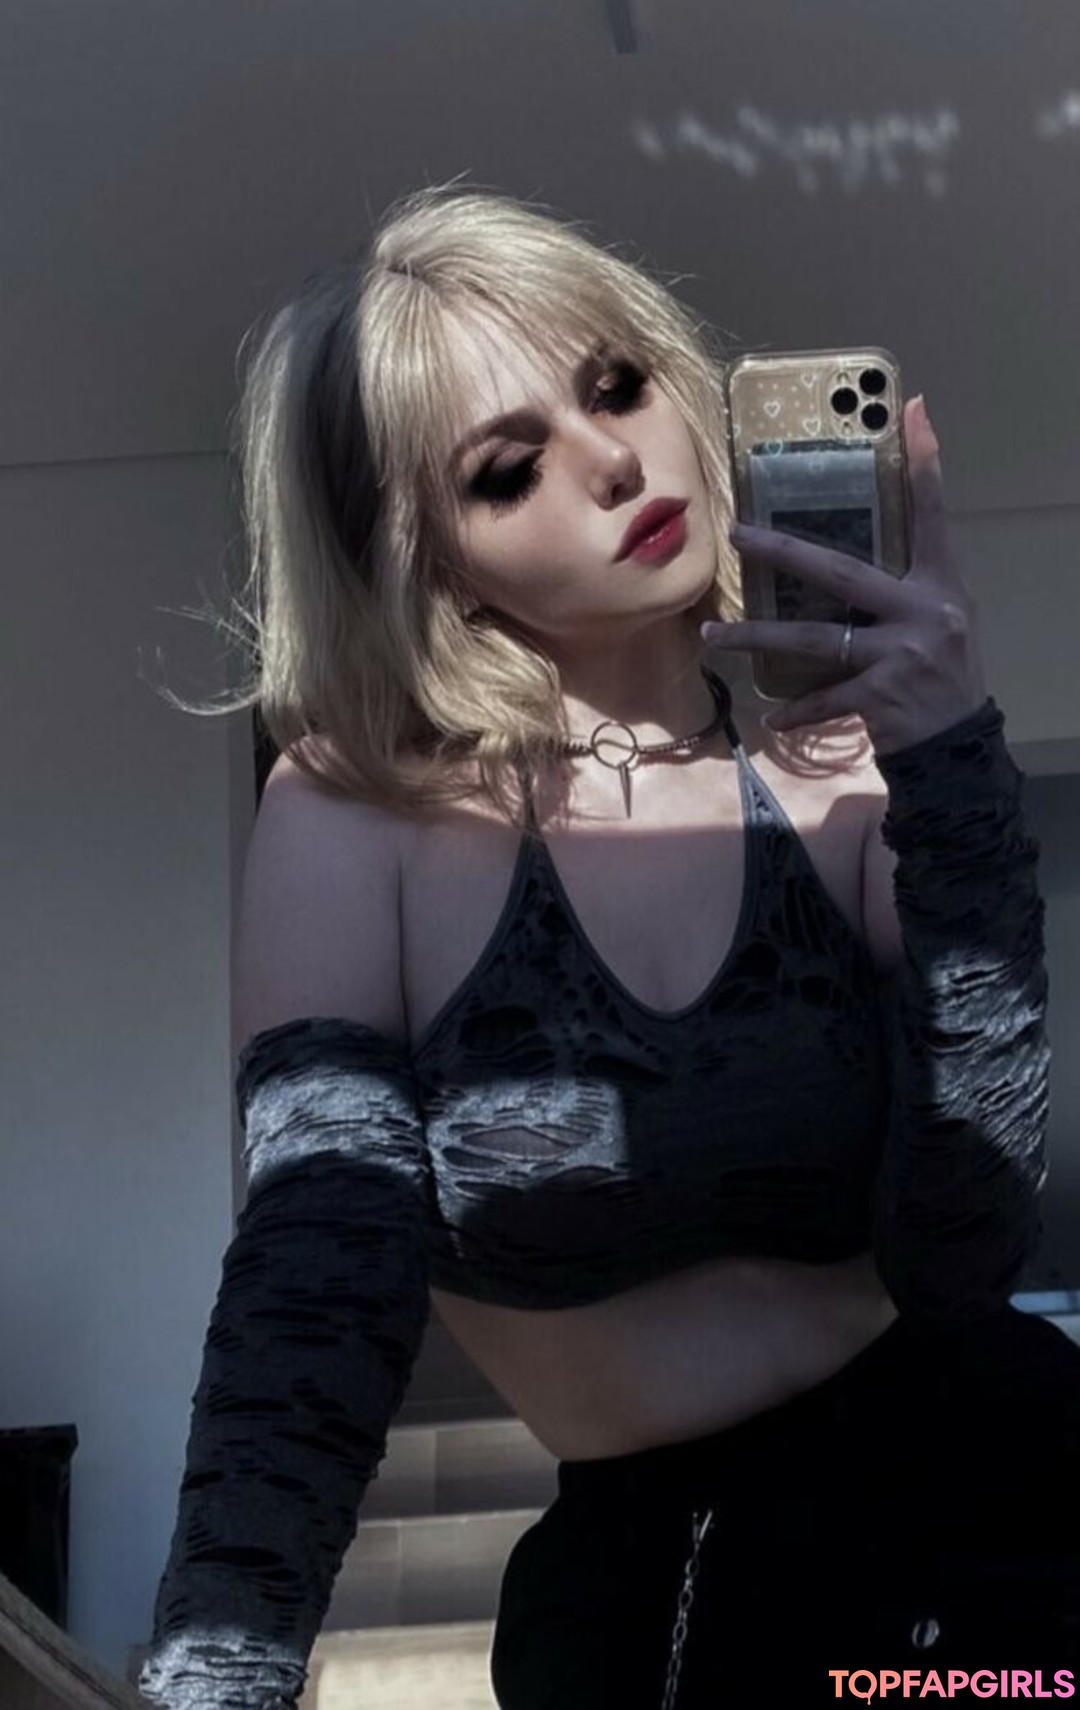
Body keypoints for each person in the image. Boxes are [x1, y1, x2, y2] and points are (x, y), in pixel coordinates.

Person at [137, 185, 1080, 1710]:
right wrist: (216, 1678)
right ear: (422, 554)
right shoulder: (356, 810)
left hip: (999, 1523)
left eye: (619, 385)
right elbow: (315, 1282)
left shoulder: (837, 764)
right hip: (665, 1596)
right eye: (509, 469)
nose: (615, 461)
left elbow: (962, 1239)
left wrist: (952, 758)